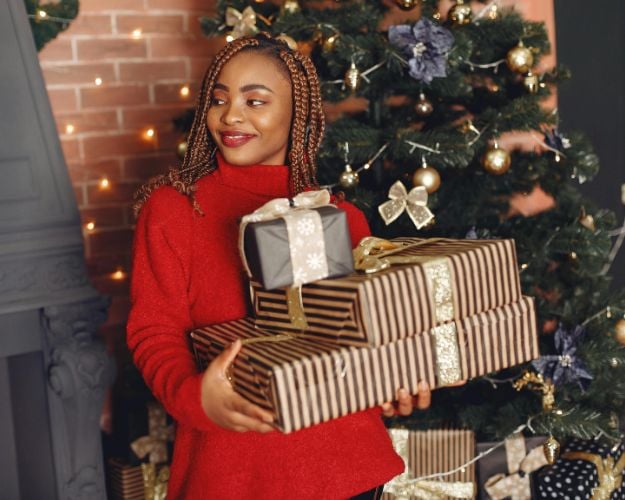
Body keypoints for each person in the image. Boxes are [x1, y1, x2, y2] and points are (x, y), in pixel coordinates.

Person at [127, 32, 432, 500]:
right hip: (234, 476)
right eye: (219, 99)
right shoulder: (173, 210)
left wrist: (395, 381)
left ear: (298, 115)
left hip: (348, 471)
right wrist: (195, 397)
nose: (231, 116)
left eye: (255, 101)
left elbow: (371, 333)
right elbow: (154, 330)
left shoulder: (341, 217)